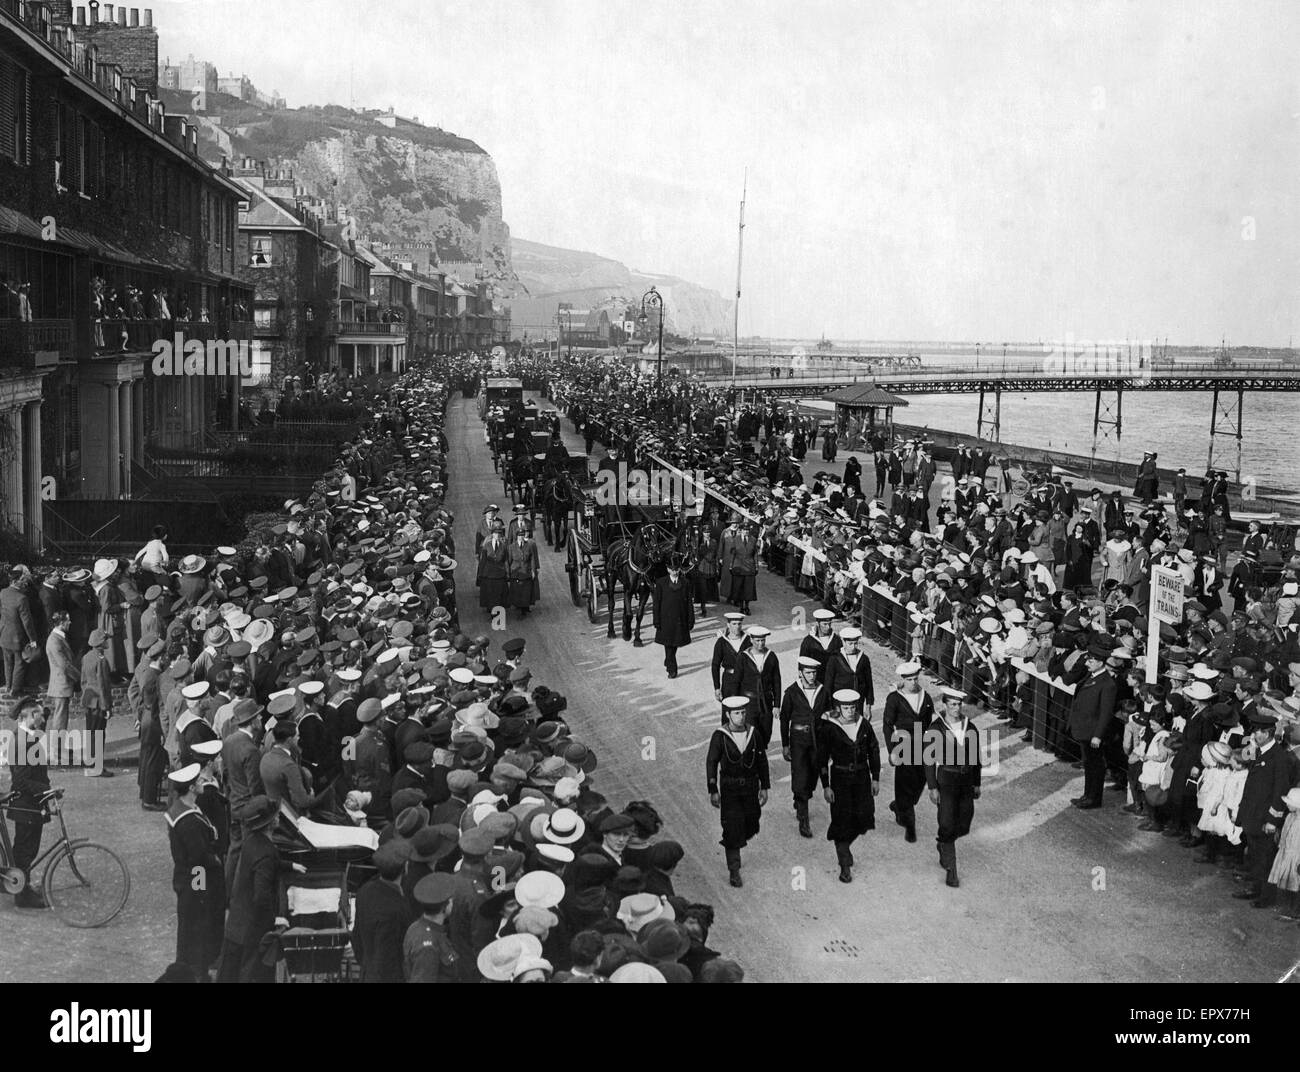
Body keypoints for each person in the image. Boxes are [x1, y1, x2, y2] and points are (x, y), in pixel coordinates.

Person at [165, 762, 224, 981]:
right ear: (191, 788)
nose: (202, 782)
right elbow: (198, 859)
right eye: (198, 781)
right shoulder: (189, 822)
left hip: (186, 879)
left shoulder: (182, 809)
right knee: (197, 932)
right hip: (195, 883)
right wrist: (202, 890)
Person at [816, 688, 881, 883]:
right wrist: (826, 785)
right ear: (839, 708)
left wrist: (875, 777)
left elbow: (874, 750)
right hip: (840, 777)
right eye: (846, 708)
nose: (850, 711)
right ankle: (844, 862)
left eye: (853, 707)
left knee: (864, 817)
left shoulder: (864, 725)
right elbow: (821, 758)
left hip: (862, 777)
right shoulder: (830, 727)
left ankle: (842, 842)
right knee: (842, 819)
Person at [218, 795, 283, 983]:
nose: (279, 817)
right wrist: (276, 919)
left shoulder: (251, 841)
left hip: (237, 924)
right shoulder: (267, 852)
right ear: (270, 824)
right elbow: (261, 897)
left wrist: (288, 865)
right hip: (252, 931)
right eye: (276, 815)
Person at [706, 695, 769, 888]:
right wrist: (713, 789)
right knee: (732, 828)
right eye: (737, 713)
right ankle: (734, 869)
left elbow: (762, 760)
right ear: (728, 715)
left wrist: (765, 786)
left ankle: (741, 835)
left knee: (752, 822)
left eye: (743, 712)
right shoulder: (720, 736)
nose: (741, 716)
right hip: (730, 788)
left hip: (750, 787)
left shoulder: (753, 734)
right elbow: (711, 762)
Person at [924, 687, 983, 888]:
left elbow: (976, 757)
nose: (956, 708)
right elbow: (928, 759)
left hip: (966, 780)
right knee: (947, 822)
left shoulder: (970, 727)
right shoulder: (936, 728)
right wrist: (932, 786)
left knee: (964, 822)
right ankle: (951, 870)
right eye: (952, 704)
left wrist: (976, 783)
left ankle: (943, 843)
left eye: (958, 704)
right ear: (945, 705)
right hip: (946, 779)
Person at [882, 661, 935, 843]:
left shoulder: (925, 697)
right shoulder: (894, 699)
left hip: (922, 745)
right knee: (904, 782)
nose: (913, 682)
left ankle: (900, 805)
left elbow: (930, 723)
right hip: (903, 745)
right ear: (903, 680)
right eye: (909, 679)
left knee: (921, 780)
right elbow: (887, 726)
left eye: (915, 678)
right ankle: (909, 825)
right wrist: (891, 751)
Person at [5, 698, 50, 909]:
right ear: (31, 716)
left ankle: (24, 885)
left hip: (31, 804)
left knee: (29, 848)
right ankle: (22, 895)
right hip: (26, 805)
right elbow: (21, 781)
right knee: (25, 850)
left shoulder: (28, 736)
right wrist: (45, 790)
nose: (43, 719)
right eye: (40, 715)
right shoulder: (21, 741)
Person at [352, 843, 416, 983]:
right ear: (405, 867)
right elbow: (387, 960)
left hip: (368, 972)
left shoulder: (365, 890)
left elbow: (356, 939)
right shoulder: (395, 909)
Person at [779, 655, 828, 837]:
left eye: (814, 672)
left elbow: (829, 716)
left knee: (813, 775)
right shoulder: (792, 692)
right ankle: (803, 818)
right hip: (798, 740)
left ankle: (800, 797)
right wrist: (785, 744)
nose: (812, 676)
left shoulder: (823, 691)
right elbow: (784, 719)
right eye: (808, 672)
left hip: (818, 740)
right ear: (800, 673)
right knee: (801, 775)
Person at [1067, 642, 1117, 810]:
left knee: (1095, 765)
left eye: (1091, 661)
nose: (1087, 663)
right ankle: (1087, 795)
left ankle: (1094, 798)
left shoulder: (1107, 684)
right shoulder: (1093, 676)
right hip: (1085, 729)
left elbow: (1105, 713)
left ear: (1101, 662)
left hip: (1093, 732)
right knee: (1088, 764)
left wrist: (1098, 735)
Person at [404, 873, 460, 982]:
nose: (452, 902)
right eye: (451, 900)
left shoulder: (416, 927)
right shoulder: (428, 946)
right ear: (445, 906)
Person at [651, 560, 695, 679]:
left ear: (679, 569)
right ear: (668, 569)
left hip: (680, 618)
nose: (674, 572)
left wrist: (691, 619)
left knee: (675, 643)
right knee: (668, 644)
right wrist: (656, 620)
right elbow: (656, 603)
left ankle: (668, 659)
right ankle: (672, 669)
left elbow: (689, 603)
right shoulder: (661, 583)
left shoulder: (685, 583)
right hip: (666, 619)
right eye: (672, 569)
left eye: (676, 569)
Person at [0, 565, 37, 697]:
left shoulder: (3, 592)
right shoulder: (22, 598)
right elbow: (27, 622)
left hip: (4, 634)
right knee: (19, 663)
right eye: (22, 580)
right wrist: (33, 639)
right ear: (15, 581)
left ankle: (8, 686)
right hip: (17, 636)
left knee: (7, 662)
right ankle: (15, 690)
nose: (25, 582)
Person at [44, 611, 79, 746]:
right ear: (61, 623)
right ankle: (57, 748)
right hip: (61, 684)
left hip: (61, 683)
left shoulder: (59, 637)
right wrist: (79, 677)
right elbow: (64, 665)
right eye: (67, 620)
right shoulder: (54, 640)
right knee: (60, 718)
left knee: (62, 717)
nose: (70, 622)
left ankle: (59, 747)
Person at [710, 611, 750, 701]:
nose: (737, 626)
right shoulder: (721, 642)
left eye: (739, 624)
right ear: (728, 625)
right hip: (729, 680)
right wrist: (717, 687)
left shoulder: (748, 641)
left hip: (746, 681)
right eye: (734, 624)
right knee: (729, 706)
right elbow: (715, 665)